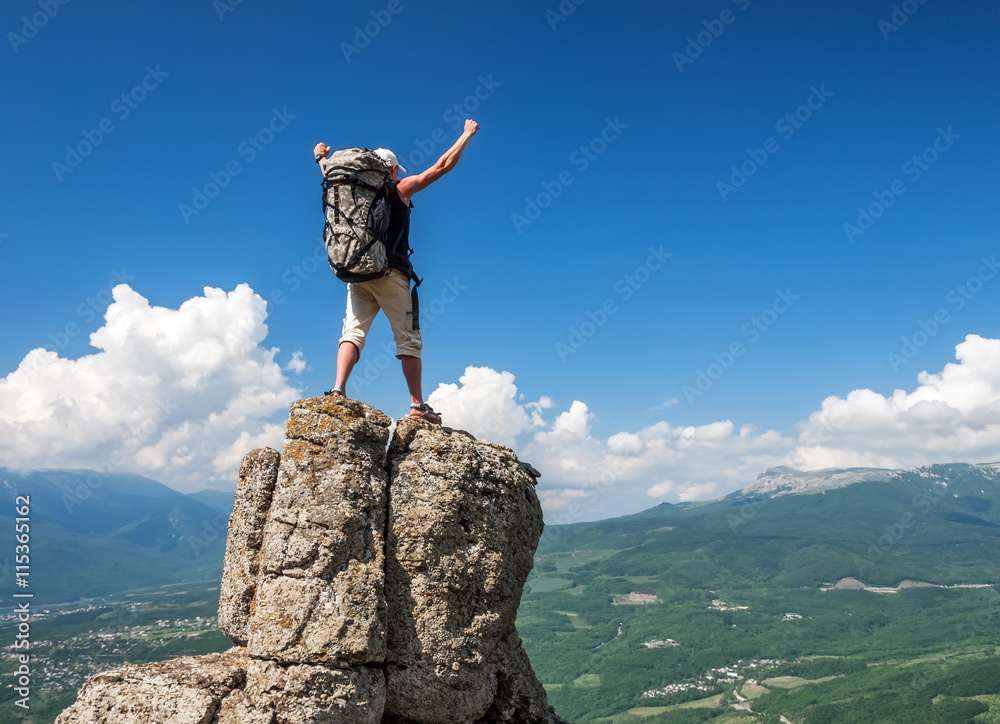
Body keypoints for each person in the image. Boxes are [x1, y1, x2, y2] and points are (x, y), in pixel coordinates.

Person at [312, 119, 480, 423]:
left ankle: (337, 390)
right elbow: (440, 167)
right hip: (391, 275)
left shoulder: (348, 186)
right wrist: (466, 135)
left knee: (352, 332)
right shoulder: (400, 189)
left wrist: (320, 156)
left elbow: (327, 172)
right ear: (390, 170)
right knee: (408, 339)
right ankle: (418, 406)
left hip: (356, 271)